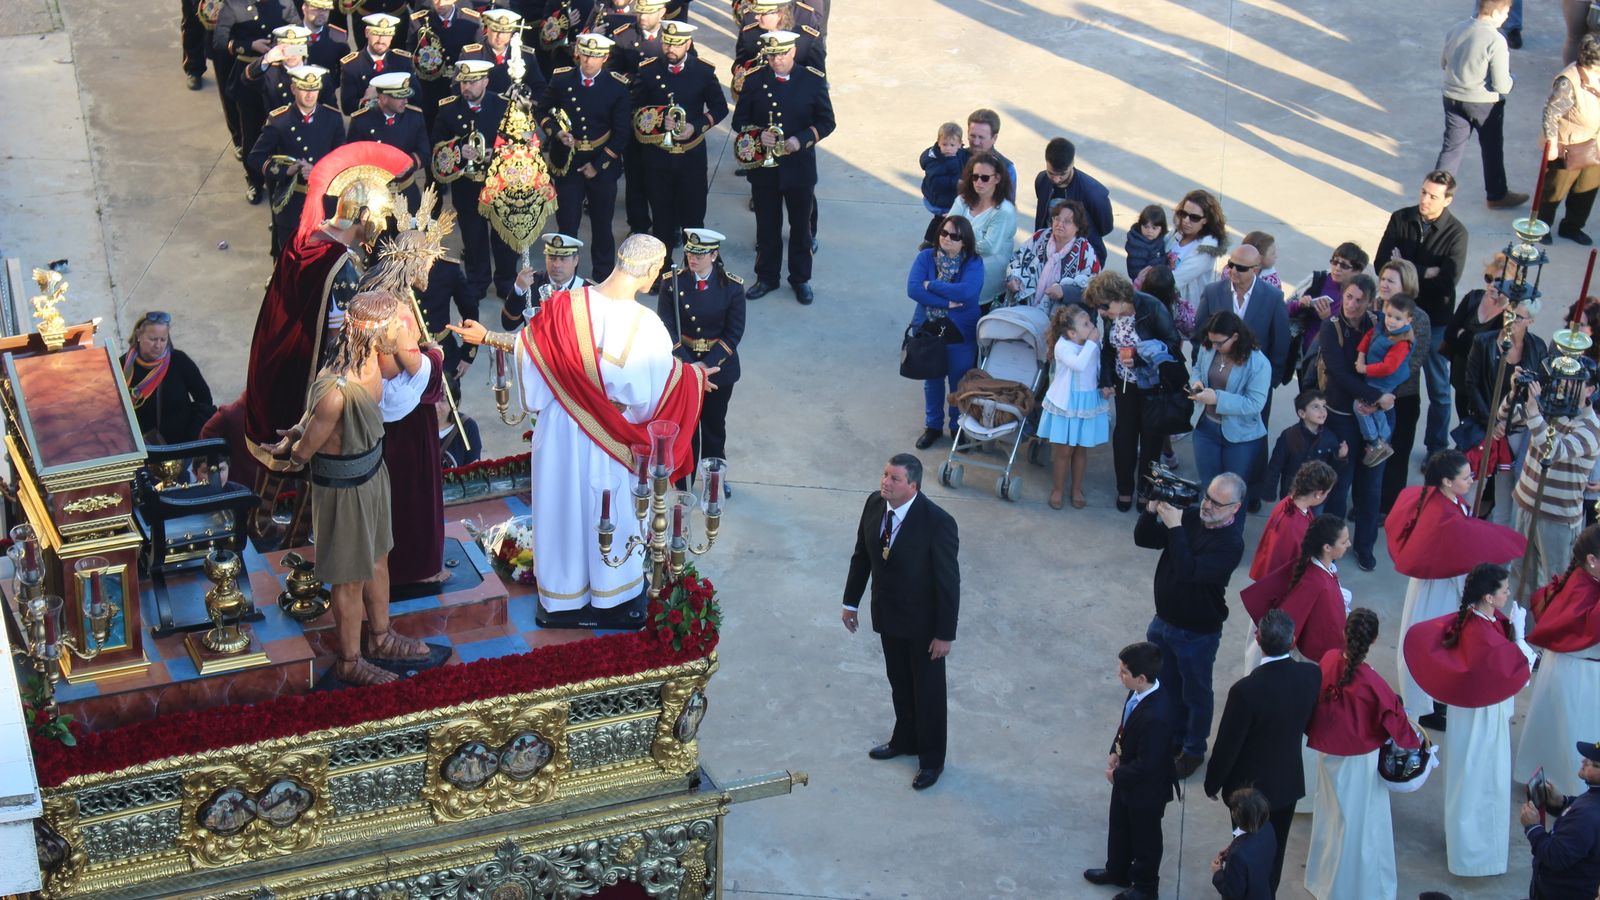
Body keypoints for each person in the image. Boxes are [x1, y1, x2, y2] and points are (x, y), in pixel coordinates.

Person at [446, 233, 709, 615]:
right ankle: (612, 590)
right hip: (613, 439)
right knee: (610, 513)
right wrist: (695, 377)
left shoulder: (566, 305)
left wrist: (488, 337)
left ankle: (563, 592)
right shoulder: (649, 326)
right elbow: (660, 392)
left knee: (563, 509)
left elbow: (531, 351)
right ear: (649, 270)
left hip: (560, 433)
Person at [263, 291, 432, 685]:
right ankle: (350, 661)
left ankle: (381, 637)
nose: (403, 329)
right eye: (396, 325)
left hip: (372, 473)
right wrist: (295, 443)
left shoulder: (374, 362)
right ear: (376, 333)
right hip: (343, 491)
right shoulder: (337, 391)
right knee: (350, 577)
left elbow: (414, 360)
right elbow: (303, 451)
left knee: (378, 559)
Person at [244, 142, 416, 484]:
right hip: (309, 379)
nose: (380, 226)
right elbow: (340, 340)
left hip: (275, 361)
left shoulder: (305, 238)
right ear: (363, 216)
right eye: (378, 217)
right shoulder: (342, 266)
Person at [1403, 563, 1534, 877]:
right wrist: (1520, 640)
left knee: (1468, 778)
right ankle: (1476, 856)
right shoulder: (1483, 637)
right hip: (1482, 718)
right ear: (1488, 597)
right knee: (1483, 781)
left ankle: (1466, 847)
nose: (1508, 594)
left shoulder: (1477, 620)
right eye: (1504, 590)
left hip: (1471, 712)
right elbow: (1516, 671)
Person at [841, 454, 960, 792]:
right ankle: (905, 739)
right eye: (885, 475)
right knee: (900, 682)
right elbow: (862, 557)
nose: (886, 483)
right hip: (889, 616)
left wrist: (944, 634)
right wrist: (850, 603)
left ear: (913, 485)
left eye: (894, 478)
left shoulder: (938, 523)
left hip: (924, 626)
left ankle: (932, 760)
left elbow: (949, 583)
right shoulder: (874, 505)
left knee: (928, 693)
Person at [1387, 448, 1526, 724]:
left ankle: (1434, 698)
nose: (1471, 480)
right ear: (1447, 481)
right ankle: (1421, 706)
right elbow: (1453, 554)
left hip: (1444, 585)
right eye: (1465, 477)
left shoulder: (1446, 501)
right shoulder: (1440, 516)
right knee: (1431, 643)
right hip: (1437, 589)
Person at [361, 195, 456, 587]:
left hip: (379, 409)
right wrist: (435, 354)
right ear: (415, 262)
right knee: (412, 492)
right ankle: (417, 569)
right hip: (405, 417)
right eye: (428, 261)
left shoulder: (376, 291)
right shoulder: (398, 311)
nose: (430, 268)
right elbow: (415, 368)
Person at [1135, 472, 1248, 778]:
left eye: (1217, 503)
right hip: (1163, 622)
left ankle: (1193, 750)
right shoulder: (1191, 517)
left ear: (1235, 508)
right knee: (1166, 685)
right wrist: (1150, 511)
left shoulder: (1231, 544)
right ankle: (1173, 737)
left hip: (1196, 633)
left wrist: (1174, 528)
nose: (1207, 506)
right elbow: (1144, 539)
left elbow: (1188, 571)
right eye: (1207, 497)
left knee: (1196, 694)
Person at [1304, 608, 1420, 900]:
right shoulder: (1371, 681)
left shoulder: (1328, 660)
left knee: (1331, 815)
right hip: (1359, 762)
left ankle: (1323, 879)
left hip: (1328, 754)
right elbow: (1398, 724)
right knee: (1360, 824)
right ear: (1374, 640)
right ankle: (1357, 888)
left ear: (1345, 632)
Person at [1203, 610, 1321, 893]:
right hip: (1287, 782)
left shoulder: (1246, 690)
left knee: (1245, 850)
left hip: (1248, 791)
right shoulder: (1311, 675)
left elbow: (1228, 744)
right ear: (1293, 641)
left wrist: (1213, 783)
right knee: (1275, 852)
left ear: (1258, 639)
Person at [730, 30, 835, 305]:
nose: (776, 60)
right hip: (764, 170)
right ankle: (767, 277)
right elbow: (739, 121)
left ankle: (801, 279)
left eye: (781, 54)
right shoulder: (755, 79)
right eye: (772, 55)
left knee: (800, 229)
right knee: (767, 227)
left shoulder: (812, 80)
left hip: (799, 168)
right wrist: (757, 135)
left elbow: (827, 122)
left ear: (793, 52)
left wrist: (802, 139)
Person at [1377, 170, 1470, 454]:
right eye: (1423, 192)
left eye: (1433, 196)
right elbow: (1381, 263)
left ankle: (1436, 447)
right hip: (1395, 316)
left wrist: (1405, 267)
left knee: (1438, 388)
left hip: (1435, 321)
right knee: (1393, 379)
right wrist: (1425, 271)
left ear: (1448, 200)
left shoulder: (1457, 234)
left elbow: (1447, 281)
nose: (1425, 200)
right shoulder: (1401, 219)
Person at [1083, 640, 1175, 900]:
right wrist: (1115, 749)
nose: (1119, 675)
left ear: (1141, 677)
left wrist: (1117, 775)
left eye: (1124, 671)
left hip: (1146, 790)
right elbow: (1126, 724)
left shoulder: (1157, 716)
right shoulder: (1137, 693)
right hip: (1128, 779)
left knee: (1146, 839)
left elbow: (1148, 765)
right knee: (1120, 826)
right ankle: (1118, 871)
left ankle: (1146, 888)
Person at [630, 21, 728, 255]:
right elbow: (634, 108)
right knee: (661, 222)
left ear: (688, 43)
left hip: (690, 157)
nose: (670, 49)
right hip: (658, 158)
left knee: (693, 221)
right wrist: (656, 121)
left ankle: (694, 269)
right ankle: (662, 269)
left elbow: (720, 108)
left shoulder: (703, 71)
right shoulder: (648, 70)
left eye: (676, 44)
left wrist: (696, 126)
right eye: (667, 43)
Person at [537, 33, 630, 281]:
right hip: (568, 162)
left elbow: (622, 133)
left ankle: (603, 277)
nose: (588, 60)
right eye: (585, 54)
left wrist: (598, 165)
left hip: (602, 162)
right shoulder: (562, 79)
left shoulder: (616, 86)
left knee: (602, 225)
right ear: (578, 53)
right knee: (567, 224)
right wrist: (556, 133)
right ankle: (566, 279)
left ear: (605, 58)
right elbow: (541, 110)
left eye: (595, 56)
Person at [657, 228, 744, 486]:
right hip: (684, 363)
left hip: (718, 368)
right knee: (688, 427)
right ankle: (684, 480)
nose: (692, 259)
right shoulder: (672, 282)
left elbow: (733, 333)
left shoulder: (732, 287)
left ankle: (714, 479)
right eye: (690, 253)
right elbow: (667, 326)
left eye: (700, 254)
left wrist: (705, 366)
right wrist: (689, 365)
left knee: (714, 427)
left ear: (714, 255)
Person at [1518, 526, 1600, 794]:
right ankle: (1568, 789)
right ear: (1592, 560)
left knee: (1556, 731)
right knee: (1570, 733)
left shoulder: (1580, 579)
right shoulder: (1584, 588)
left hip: (1568, 668)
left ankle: (1549, 782)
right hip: (1578, 674)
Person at [1318, 273, 1391, 570]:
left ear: (1371, 301)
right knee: (1340, 485)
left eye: (1359, 300)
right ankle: (1333, 548)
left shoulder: (1380, 324)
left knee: (1371, 488)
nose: (1352, 304)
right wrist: (1374, 396)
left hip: (1372, 419)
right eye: (1348, 297)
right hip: (1343, 420)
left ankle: (1364, 547)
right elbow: (1338, 373)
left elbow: (1397, 361)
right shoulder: (1331, 327)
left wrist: (1377, 400)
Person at [1093, 271, 1181, 512]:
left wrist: (1141, 359)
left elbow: (1173, 344)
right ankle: (1124, 488)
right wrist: (1106, 378)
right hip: (1124, 384)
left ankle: (1145, 489)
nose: (1102, 312)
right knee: (1124, 436)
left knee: (1151, 438)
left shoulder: (1152, 307)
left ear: (1120, 297)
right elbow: (1108, 349)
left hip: (1153, 385)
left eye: (1104, 306)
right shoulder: (1112, 314)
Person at [431, 59, 517, 305]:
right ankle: (477, 283)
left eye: (472, 82)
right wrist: (458, 150)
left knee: (504, 237)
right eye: (463, 82)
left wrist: (496, 153)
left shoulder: (503, 105)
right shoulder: (448, 108)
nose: (466, 87)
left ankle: (506, 282)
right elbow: (436, 148)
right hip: (467, 186)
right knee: (473, 237)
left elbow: (519, 142)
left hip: (498, 185)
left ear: (485, 81)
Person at [1511, 365, 1600, 599]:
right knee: (1520, 579)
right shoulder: (1551, 406)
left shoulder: (1591, 428)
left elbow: (1553, 451)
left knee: (1557, 584)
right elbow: (1507, 417)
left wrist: (1534, 412)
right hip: (1526, 504)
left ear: (1590, 390)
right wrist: (1516, 392)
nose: (1565, 385)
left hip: (1557, 517)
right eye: (1565, 379)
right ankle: (1522, 623)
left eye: (1575, 381)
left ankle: (1550, 623)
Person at [1436, 0, 1528, 210]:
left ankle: (1435, 196)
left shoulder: (1456, 29)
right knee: (1491, 149)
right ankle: (1496, 195)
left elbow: (1443, 63)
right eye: (1506, 11)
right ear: (1496, 12)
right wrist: (1513, 79)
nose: (1507, 16)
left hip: (1452, 98)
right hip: (1484, 104)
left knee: (1451, 150)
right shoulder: (1496, 40)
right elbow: (1502, 85)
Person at [247, 64, 346, 258]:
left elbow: (342, 158)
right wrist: (287, 170)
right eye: (304, 89)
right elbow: (255, 158)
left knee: (323, 260)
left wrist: (319, 171)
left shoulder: (332, 118)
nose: (310, 95)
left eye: (314, 89)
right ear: (293, 89)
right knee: (291, 259)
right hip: (293, 203)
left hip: (325, 202)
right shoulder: (280, 120)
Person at [1464, 297, 1546, 523]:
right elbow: (1472, 384)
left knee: (1506, 495)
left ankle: (1499, 544)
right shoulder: (1483, 341)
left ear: (1530, 321)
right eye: (1508, 313)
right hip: (1485, 425)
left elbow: (1540, 390)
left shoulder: (1537, 347)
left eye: (1518, 317)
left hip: (1517, 430)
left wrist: (1515, 419)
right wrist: (1492, 422)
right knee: (1470, 491)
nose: (1510, 320)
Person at [908, 214, 983, 450]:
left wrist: (932, 285)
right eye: (944, 233)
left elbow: (966, 292)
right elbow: (913, 289)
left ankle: (956, 427)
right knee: (932, 380)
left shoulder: (974, 263)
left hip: (960, 332)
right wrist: (945, 302)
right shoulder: (925, 257)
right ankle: (933, 426)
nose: (947, 238)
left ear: (965, 242)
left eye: (955, 236)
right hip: (930, 330)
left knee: (959, 382)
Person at [1242, 515, 1353, 671]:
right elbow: (1291, 617)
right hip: (1314, 658)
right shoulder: (1315, 582)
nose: (1349, 544)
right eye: (1343, 542)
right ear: (1327, 547)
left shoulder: (1314, 569)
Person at [1188, 312, 1271, 496]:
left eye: (1219, 343)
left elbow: (1255, 403)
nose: (1214, 347)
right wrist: (1196, 382)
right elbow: (1197, 369)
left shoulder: (1258, 363)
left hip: (1240, 436)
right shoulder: (1208, 347)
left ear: (1235, 337)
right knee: (1208, 487)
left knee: (1233, 493)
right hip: (1205, 428)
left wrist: (1217, 399)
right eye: (1211, 341)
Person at [1193, 244, 1290, 393]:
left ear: (1255, 270)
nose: (1233, 271)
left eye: (1241, 268)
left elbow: (1280, 343)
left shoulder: (1273, 298)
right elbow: (1199, 334)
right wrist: (1198, 374)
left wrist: (1269, 382)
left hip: (1253, 382)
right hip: (1214, 379)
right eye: (1231, 264)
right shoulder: (1212, 292)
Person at [1039, 304, 1107, 510]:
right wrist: (1092, 344)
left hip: (1087, 402)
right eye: (1085, 324)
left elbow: (1098, 366)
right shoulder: (1063, 346)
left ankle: (1076, 488)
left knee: (1080, 449)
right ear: (1072, 333)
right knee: (1064, 451)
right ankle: (1058, 489)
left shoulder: (1091, 344)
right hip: (1067, 403)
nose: (1092, 326)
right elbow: (1078, 364)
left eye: (1090, 322)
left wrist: (1105, 384)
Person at [1377, 259, 1431, 514]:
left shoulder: (1419, 318)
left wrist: (1382, 385)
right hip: (1370, 393)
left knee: (1395, 455)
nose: (1384, 284)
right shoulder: (1374, 307)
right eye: (1383, 279)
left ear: (1406, 285)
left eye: (1391, 281)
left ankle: (1388, 506)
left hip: (1401, 397)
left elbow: (1414, 361)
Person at [1442, 252, 1518, 429]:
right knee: (1464, 427)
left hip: (1485, 388)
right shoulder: (1473, 298)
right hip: (1461, 380)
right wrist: (1475, 342)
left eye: (1499, 281)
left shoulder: (1511, 315)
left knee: (1481, 432)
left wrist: (1464, 335)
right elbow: (1449, 334)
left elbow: (1491, 353)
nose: (1492, 285)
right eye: (1489, 278)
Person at [1539, 35, 1600, 247]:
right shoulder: (1569, 81)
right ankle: (1542, 227)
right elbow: (1551, 113)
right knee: (1553, 191)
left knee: (1585, 191)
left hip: (1596, 144)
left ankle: (1572, 227)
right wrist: (1551, 143)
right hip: (1569, 146)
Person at [1285, 241, 1369, 393]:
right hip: (1307, 357)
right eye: (1334, 262)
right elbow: (1283, 310)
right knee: (1308, 401)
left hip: (1336, 363)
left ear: (1357, 271)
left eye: (1344, 265)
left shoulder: (1361, 294)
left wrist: (1327, 320)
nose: (1337, 268)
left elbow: (1355, 332)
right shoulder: (1317, 280)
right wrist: (1299, 305)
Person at [1520, 739, 1600, 899]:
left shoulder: (1587, 815)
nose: (1584, 761)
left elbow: (1555, 856)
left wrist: (1533, 827)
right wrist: (1562, 802)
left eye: (1594, 764)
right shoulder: (1594, 796)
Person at [122, 311, 216, 445]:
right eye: (152, 339)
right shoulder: (122, 366)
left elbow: (205, 400)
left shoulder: (180, 361)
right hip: (140, 448)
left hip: (180, 447)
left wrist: (192, 436)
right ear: (138, 336)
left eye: (163, 339)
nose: (158, 345)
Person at [347, 73, 431, 210]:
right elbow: (352, 160)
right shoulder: (362, 121)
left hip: (407, 193)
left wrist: (408, 164)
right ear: (384, 98)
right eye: (400, 97)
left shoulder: (414, 117)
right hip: (374, 196)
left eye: (406, 96)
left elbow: (425, 153)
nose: (405, 101)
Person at [945, 152, 1017, 311]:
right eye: (975, 177)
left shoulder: (1004, 211)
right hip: (956, 279)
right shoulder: (962, 200)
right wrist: (973, 237)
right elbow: (945, 231)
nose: (978, 182)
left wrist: (959, 238)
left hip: (987, 288)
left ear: (997, 178)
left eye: (984, 178)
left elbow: (989, 248)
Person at [1353, 294, 1416, 467]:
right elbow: (1369, 336)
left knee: (1360, 407)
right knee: (1374, 409)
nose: (1391, 321)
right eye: (1389, 315)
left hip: (1383, 381)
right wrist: (1361, 356)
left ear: (1409, 320)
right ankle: (1383, 438)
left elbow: (1388, 367)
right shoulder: (1383, 327)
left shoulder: (1402, 342)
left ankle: (1374, 441)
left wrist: (1365, 368)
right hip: (1376, 378)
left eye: (1398, 318)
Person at [1004, 198, 1100, 310]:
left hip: (1059, 316)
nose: (1060, 224)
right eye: (1057, 219)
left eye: (1067, 221)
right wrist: (1014, 277)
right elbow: (1017, 258)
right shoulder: (1040, 237)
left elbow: (1095, 288)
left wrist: (1065, 292)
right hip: (1024, 309)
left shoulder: (1085, 251)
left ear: (1078, 226)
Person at [1157, 189, 1228, 341]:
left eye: (1194, 217)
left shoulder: (1206, 248)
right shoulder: (1177, 233)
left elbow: (1176, 279)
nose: (1186, 220)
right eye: (1183, 214)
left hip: (1182, 311)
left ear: (1206, 220)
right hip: (1164, 303)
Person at [1251, 459, 1337, 580]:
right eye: (1327, 492)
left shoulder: (1291, 503)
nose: (1327, 496)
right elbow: (1287, 565)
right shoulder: (1293, 526)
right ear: (1318, 493)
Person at [1032, 137, 1112, 267]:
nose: (1056, 179)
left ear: (1072, 163)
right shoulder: (1042, 180)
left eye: (1062, 174)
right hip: (1048, 254)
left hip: (1082, 260)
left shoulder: (1093, 193)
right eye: (1051, 173)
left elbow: (1105, 227)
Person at [408, 0, 482, 129]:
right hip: (431, 88)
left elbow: (477, 54)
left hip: (460, 87)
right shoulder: (419, 20)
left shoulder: (471, 19)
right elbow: (411, 53)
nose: (440, 3)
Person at [1264, 392, 1345, 503]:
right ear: (1302, 413)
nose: (1322, 411)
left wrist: (1340, 457)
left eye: (1324, 406)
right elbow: (1275, 466)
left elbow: (1332, 470)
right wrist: (1269, 493)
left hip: (1317, 495)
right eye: (1316, 407)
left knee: (1315, 515)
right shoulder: (1289, 436)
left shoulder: (1330, 438)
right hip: (1293, 493)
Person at [502, 233, 589, 328]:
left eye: (563, 259)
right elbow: (508, 324)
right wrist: (518, 289)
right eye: (552, 258)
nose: (556, 264)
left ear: (576, 260)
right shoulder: (532, 283)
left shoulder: (587, 290)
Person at [457, 9, 546, 97]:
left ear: (511, 32)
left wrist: (528, 102)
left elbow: (539, 87)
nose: (499, 36)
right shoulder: (471, 55)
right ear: (487, 29)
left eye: (504, 32)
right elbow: (457, 87)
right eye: (495, 30)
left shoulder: (525, 55)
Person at [339, 14, 415, 115]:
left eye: (386, 35)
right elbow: (347, 107)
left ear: (392, 36)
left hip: (398, 121)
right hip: (367, 122)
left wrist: (381, 93)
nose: (381, 40)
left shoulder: (402, 61)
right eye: (376, 34)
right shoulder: (352, 65)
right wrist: (366, 100)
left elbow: (416, 98)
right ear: (367, 33)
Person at [1210, 788, 1278, 900]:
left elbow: (1233, 892)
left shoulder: (1237, 855)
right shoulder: (1268, 827)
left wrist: (1217, 872)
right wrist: (1233, 846)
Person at [960, 108, 1017, 204]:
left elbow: (1007, 206)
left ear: (994, 138)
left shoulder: (1006, 168)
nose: (976, 142)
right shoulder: (955, 158)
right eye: (972, 136)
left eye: (981, 137)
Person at [918, 122, 963, 217]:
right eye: (944, 144)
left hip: (947, 199)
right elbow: (935, 182)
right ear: (938, 143)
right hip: (940, 204)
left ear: (959, 144)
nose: (948, 148)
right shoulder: (935, 161)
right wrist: (956, 182)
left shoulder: (959, 154)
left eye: (952, 145)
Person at [1125, 205, 1167, 282]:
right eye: (1146, 227)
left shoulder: (1161, 240)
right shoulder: (1136, 243)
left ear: (1161, 229)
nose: (1149, 231)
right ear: (1140, 225)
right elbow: (1134, 267)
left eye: (1154, 228)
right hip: (1142, 281)